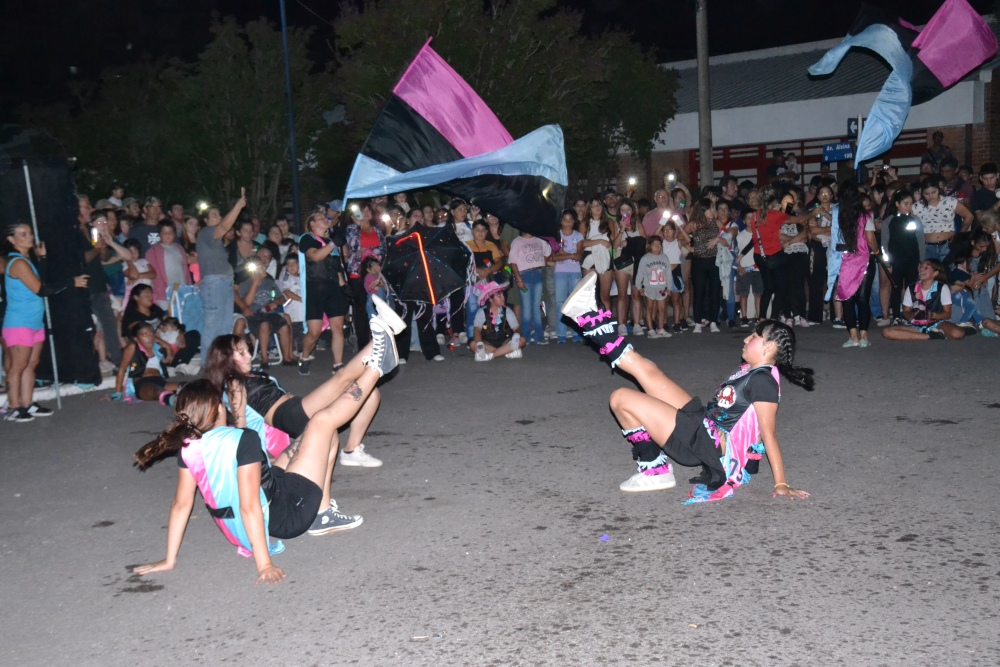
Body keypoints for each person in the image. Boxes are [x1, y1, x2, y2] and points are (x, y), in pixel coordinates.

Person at [131, 318, 398, 583]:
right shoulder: (241, 439)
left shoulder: (189, 448)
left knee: (313, 434)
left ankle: (323, 514)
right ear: (218, 409)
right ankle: (376, 368)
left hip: (274, 494)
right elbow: (249, 506)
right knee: (321, 422)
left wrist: (169, 559)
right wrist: (264, 565)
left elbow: (181, 505)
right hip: (287, 514)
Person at [561, 272, 813, 503]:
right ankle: (588, 315)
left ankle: (654, 470)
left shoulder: (764, 381)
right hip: (703, 422)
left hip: (704, 442)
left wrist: (781, 483)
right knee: (649, 371)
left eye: (755, 337)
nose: (746, 339)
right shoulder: (755, 371)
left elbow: (768, 434)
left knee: (621, 398)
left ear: (768, 348)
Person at [204, 315, 395, 530]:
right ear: (225, 359)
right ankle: (380, 344)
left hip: (292, 410)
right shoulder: (234, 385)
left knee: (361, 390)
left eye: (247, 350)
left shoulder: (243, 378)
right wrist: (262, 459)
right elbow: (242, 431)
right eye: (240, 353)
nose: (248, 356)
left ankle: (383, 339)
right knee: (341, 378)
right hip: (290, 415)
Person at [3, 223, 88, 422]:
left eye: (30, 233)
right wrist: (71, 282)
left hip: (34, 321)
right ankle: (14, 407)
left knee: (31, 365)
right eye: (23, 234)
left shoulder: (26, 260)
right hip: (19, 322)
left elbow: (40, 282)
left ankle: (27, 403)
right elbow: (41, 290)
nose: (29, 237)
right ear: (11, 240)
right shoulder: (17, 263)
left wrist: (41, 259)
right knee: (18, 366)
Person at [197, 191, 247, 365]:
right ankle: (208, 366)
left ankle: (222, 364)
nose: (219, 217)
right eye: (214, 215)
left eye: (219, 214)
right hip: (215, 284)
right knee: (212, 326)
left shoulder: (217, 242)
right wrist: (238, 206)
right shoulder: (205, 233)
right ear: (206, 220)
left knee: (225, 326)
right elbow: (225, 226)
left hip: (224, 284)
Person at [297, 211, 349, 375]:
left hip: (333, 288)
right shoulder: (307, 239)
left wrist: (344, 288)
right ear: (312, 224)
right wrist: (333, 244)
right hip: (315, 289)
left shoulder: (330, 242)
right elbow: (315, 257)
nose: (324, 219)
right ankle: (304, 358)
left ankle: (338, 364)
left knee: (338, 328)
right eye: (319, 217)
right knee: (314, 333)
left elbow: (337, 268)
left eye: (324, 217)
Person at [834, 181, 878, 348]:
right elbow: (871, 239)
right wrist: (876, 252)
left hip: (847, 260)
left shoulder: (841, 215)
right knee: (863, 298)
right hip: (864, 258)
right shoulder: (866, 215)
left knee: (847, 298)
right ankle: (864, 335)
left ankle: (853, 335)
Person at [882, 260, 966, 341]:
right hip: (917, 324)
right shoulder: (911, 288)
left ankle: (930, 333)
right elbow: (906, 310)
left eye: (926, 268)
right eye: (921, 267)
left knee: (958, 334)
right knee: (887, 332)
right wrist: (909, 316)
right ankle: (930, 336)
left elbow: (947, 314)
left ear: (935, 273)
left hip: (937, 323)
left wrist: (934, 315)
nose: (922, 269)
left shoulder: (942, 288)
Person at [111, 322, 182, 403]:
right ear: (136, 339)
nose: (150, 337)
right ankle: (172, 399)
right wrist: (117, 392)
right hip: (142, 382)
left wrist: (168, 348)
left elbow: (156, 339)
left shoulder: (155, 346)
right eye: (145, 335)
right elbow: (122, 369)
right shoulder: (132, 347)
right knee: (157, 392)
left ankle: (177, 396)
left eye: (151, 333)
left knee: (186, 387)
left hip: (159, 380)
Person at [507, 229, 551, 345]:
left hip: (537, 274)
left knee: (536, 306)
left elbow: (548, 252)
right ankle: (525, 336)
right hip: (524, 275)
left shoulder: (540, 241)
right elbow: (513, 262)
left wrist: (542, 263)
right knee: (526, 307)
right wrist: (518, 279)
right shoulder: (517, 242)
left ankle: (539, 336)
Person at [470, 279, 527, 361]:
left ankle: (491, 355)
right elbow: (477, 329)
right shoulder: (482, 312)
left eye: (503, 295)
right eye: (499, 296)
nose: (503, 298)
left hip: (505, 342)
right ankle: (506, 352)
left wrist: (516, 335)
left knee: (522, 340)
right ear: (490, 299)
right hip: (488, 343)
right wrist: (479, 343)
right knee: (473, 344)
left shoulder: (507, 310)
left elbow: (516, 328)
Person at [550, 210, 584, 343]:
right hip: (560, 272)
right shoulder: (556, 236)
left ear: (574, 221)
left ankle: (576, 332)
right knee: (560, 303)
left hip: (575, 271)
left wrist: (564, 254)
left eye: (570, 220)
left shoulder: (579, 236)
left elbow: (579, 254)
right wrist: (570, 256)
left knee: (575, 302)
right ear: (561, 221)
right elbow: (554, 256)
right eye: (565, 219)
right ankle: (561, 333)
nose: (568, 223)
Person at [145, 220, 191, 309]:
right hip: (165, 294)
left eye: (170, 232)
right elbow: (154, 274)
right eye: (165, 232)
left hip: (182, 291)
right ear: (159, 234)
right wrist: (161, 293)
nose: (168, 234)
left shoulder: (179, 248)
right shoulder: (153, 251)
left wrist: (188, 287)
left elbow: (185, 269)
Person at [635, 236, 672, 338]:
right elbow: (640, 273)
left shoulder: (664, 258)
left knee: (662, 308)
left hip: (662, 287)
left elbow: (668, 273)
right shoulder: (645, 258)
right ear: (650, 246)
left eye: (659, 245)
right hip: (649, 287)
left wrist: (669, 287)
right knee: (649, 307)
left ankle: (660, 328)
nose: (657, 247)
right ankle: (650, 329)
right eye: (654, 245)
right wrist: (639, 287)